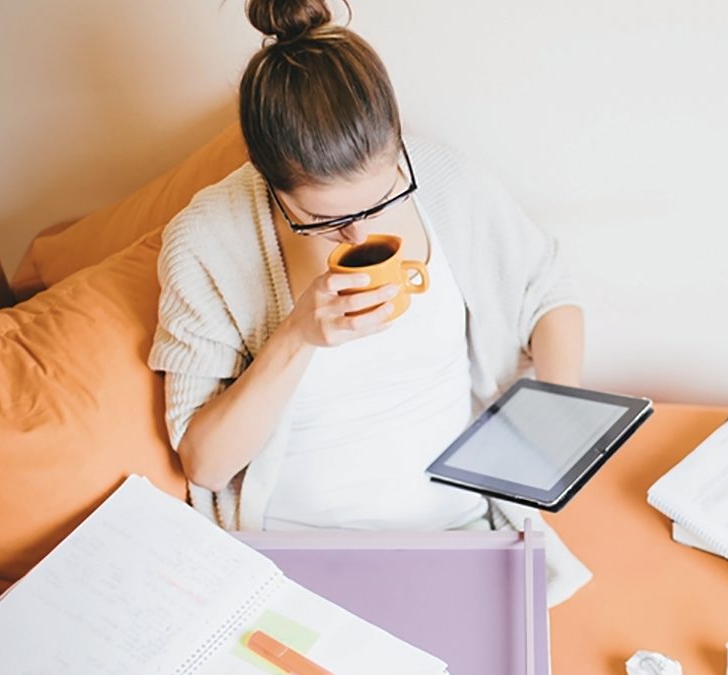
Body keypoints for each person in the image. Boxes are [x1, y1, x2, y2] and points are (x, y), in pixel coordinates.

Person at [148, 0, 590, 605]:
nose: (361, 235)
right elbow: (204, 463)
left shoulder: (439, 176)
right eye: (326, 221)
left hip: (460, 533)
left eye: (382, 201)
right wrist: (296, 335)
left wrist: (554, 408)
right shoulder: (205, 239)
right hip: (297, 557)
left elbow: (548, 291)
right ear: (265, 176)